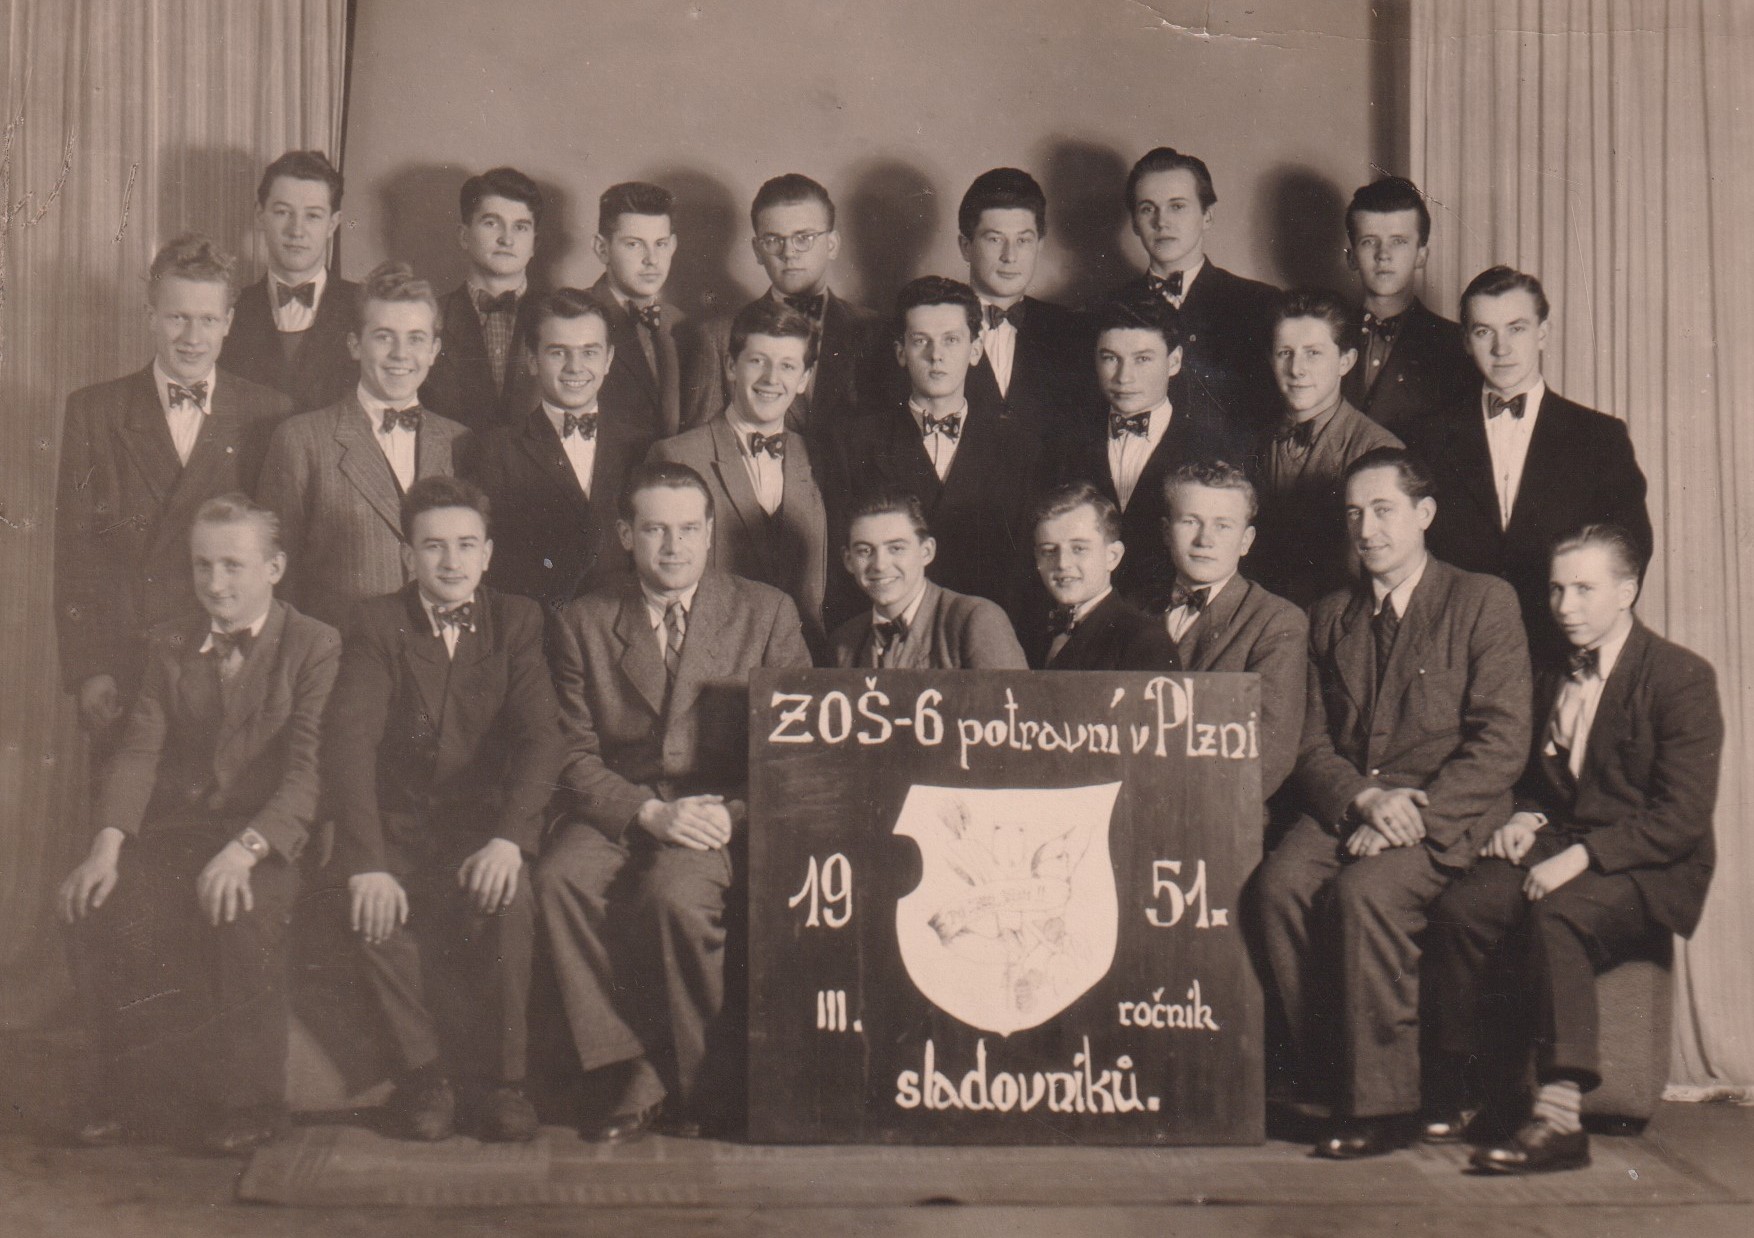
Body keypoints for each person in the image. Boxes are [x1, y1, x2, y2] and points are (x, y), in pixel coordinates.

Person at [1255, 447, 1531, 1160]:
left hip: (1449, 808)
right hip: (1359, 801)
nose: (1366, 529)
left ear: (1425, 514)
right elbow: (1309, 743)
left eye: (1383, 510)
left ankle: (1384, 1104)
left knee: (1365, 895)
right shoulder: (1328, 616)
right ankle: (1331, 1080)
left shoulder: (1483, 600)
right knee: (1278, 887)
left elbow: (1502, 741)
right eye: (1354, 513)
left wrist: (1415, 816)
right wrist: (1365, 800)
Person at [1425, 526, 1722, 1174]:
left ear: (1627, 591)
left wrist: (1581, 859)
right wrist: (1526, 818)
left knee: (1556, 915)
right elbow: (1547, 781)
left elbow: (1682, 816)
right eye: (1558, 589)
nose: (1565, 606)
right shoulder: (1551, 670)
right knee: (1464, 908)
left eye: (1584, 589)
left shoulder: (1681, 677)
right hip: (1564, 840)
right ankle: (1494, 1099)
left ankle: (1560, 1122)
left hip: (1650, 864)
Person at [58, 495, 339, 1155]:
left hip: (272, 837)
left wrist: (245, 850)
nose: (215, 583)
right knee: (102, 901)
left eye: (233, 565)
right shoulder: (170, 642)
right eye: (202, 565)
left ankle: (253, 1104)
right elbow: (139, 753)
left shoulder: (314, 643)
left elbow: (307, 774)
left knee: (241, 908)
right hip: (186, 831)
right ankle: (129, 1094)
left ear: (274, 568)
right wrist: (105, 849)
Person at [538, 462, 810, 1140]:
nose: (673, 546)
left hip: (720, 806)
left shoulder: (767, 611)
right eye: (656, 530)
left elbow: (796, 742)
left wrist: (732, 813)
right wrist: (647, 813)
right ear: (626, 535)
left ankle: (700, 1086)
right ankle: (630, 1064)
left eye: (689, 529)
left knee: (674, 898)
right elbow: (571, 752)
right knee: (558, 878)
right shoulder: (583, 620)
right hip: (626, 803)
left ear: (711, 533)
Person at [323, 476, 563, 1143]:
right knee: (369, 914)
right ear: (408, 556)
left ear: (488, 553)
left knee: (510, 901)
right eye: (433, 547)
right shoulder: (376, 623)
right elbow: (349, 744)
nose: (451, 562)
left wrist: (509, 840)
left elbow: (544, 740)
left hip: (482, 831)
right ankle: (425, 1077)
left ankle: (503, 1083)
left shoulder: (517, 620)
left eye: (465, 545)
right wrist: (367, 863)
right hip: (398, 831)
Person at [56, 234, 292, 738]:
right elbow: (76, 554)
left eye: (207, 319)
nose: (192, 337)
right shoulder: (95, 411)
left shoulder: (268, 412)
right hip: (126, 663)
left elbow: (277, 554)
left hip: (230, 657)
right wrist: (89, 668)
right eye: (177, 317)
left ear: (229, 322)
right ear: (150, 316)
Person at [1403, 266, 1652, 657]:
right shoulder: (1426, 437)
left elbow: (1630, 549)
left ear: (1543, 333)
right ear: (1465, 340)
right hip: (1454, 652)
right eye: (1484, 332)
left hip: (1563, 652)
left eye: (1516, 329)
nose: (1501, 348)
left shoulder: (1600, 437)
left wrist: (1588, 637)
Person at [257, 261, 469, 629]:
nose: (401, 354)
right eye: (384, 337)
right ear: (355, 344)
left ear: (434, 350)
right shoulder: (301, 441)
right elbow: (276, 582)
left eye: (416, 339)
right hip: (338, 653)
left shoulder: (460, 442)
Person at [837, 276, 1039, 620]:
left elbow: (1025, 568)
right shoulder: (855, 442)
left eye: (951, 340)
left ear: (975, 350)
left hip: (988, 630)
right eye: (921, 341)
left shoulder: (1019, 445)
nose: (936, 356)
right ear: (901, 352)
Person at [649, 299, 831, 656]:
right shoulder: (676, 455)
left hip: (804, 664)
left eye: (787, 366)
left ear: (803, 380)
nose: (771, 379)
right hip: (711, 661)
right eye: (757, 361)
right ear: (731, 366)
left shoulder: (820, 459)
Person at [1049, 293, 1244, 612]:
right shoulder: (1063, 446)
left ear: (1174, 361)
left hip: (1174, 621)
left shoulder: (1212, 448)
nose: (1124, 377)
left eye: (1142, 359)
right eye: (1110, 358)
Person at [462, 288, 654, 611]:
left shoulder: (644, 447)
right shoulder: (496, 451)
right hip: (536, 629)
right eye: (558, 353)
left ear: (608, 359)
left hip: (624, 623)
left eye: (589, 352)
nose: (574, 367)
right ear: (532, 361)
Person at [683, 173, 880, 446]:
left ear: (832, 245)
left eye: (804, 238)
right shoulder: (718, 337)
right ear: (757, 250)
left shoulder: (874, 330)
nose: (789, 253)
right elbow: (700, 447)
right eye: (774, 240)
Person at [1159, 461, 1307, 803]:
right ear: (1166, 532)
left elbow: (1270, 753)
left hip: (1221, 809)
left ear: (1246, 540)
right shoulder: (1135, 608)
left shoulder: (1276, 621)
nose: (1204, 540)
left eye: (1223, 526)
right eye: (1190, 521)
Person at [1108, 146, 1278, 435]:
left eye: (1177, 206)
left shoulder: (1261, 304)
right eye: (1147, 209)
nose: (1161, 222)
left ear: (1207, 215)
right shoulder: (1107, 309)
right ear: (1135, 223)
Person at [1251, 291, 1402, 607]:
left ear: (1346, 361)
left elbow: (1386, 580)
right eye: (1285, 353)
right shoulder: (1257, 442)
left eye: (1313, 353)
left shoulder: (1380, 451)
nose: (1297, 369)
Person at [956, 167, 1098, 436]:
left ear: (1039, 245)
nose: (1010, 256)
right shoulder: (931, 326)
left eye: (1023, 240)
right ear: (966, 247)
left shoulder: (1072, 331)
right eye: (995, 239)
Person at [829, 488, 1027, 670]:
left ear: (926, 552)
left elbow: (1013, 698)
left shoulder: (975, 620)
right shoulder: (844, 641)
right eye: (864, 551)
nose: (880, 565)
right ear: (848, 560)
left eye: (896, 548)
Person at [224, 150, 360, 413]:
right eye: (283, 212)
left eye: (313, 216)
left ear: (333, 224)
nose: (296, 230)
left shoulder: (365, 308)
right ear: (260, 215)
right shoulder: (230, 310)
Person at [1339, 176, 1474, 432]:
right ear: (1352, 257)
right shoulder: (1327, 336)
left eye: (1398, 241)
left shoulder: (1456, 347)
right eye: (1369, 241)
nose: (1383, 255)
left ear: (1421, 255)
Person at [419, 167, 544, 432]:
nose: (506, 239)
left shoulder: (558, 317)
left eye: (520, 227)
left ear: (534, 244)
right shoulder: (427, 317)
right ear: (464, 236)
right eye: (491, 223)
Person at [1025, 482, 1178, 671]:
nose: (1062, 563)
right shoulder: (1031, 635)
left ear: (1112, 556)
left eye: (1079, 549)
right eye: (1049, 551)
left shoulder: (1144, 641)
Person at [584, 181, 688, 439]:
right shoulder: (575, 319)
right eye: (634, 244)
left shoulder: (681, 324)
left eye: (660, 244)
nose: (651, 259)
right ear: (602, 249)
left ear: (673, 245)